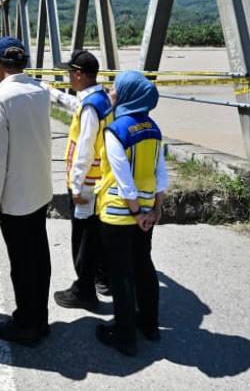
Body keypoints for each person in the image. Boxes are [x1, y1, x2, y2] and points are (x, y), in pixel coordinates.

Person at [0, 36, 53, 346]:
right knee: (39, 257)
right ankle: (41, 318)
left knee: (22, 264)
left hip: (15, 197)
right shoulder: (40, 91)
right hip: (40, 190)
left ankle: (26, 324)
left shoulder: (0, 99)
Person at [93, 70, 168, 357]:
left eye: (115, 87)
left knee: (121, 274)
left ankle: (124, 336)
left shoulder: (117, 130)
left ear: (127, 94)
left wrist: (135, 212)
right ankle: (149, 325)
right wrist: (154, 209)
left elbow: (123, 180)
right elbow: (160, 173)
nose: (112, 91)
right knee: (143, 266)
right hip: (147, 212)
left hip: (119, 213)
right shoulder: (153, 129)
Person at [48, 50, 114, 311]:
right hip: (101, 181)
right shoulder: (102, 99)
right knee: (96, 233)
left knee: (83, 237)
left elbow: (84, 149)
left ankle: (84, 290)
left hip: (86, 182)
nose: (68, 78)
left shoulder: (90, 107)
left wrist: (75, 187)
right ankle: (102, 278)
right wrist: (53, 94)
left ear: (78, 74)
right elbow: (77, 106)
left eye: (69, 73)